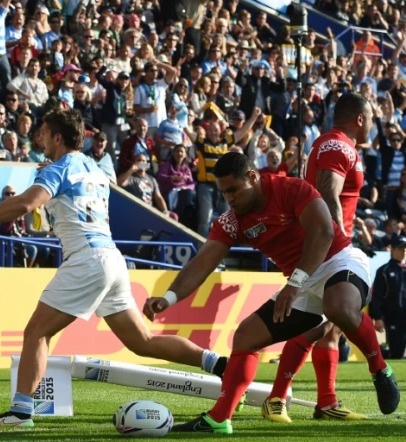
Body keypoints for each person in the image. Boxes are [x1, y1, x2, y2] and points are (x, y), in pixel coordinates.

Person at [0, 109, 227, 428]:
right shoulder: (93, 168)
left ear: (58, 138)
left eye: (45, 134)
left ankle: (20, 412)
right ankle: (217, 363)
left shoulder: (59, 168)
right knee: (142, 341)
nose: (41, 139)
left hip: (87, 258)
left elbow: (26, 204)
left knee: (36, 332)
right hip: (112, 259)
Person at [144, 152, 400, 434]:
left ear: (253, 177)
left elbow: (324, 231)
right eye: (223, 192)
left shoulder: (290, 188)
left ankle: (379, 369)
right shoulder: (232, 220)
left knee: (338, 307)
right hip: (303, 282)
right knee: (245, 337)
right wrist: (168, 298)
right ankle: (219, 419)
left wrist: (295, 283)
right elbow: (202, 263)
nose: (229, 198)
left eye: (234, 190)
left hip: (339, 260)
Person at [264, 93, 372, 422]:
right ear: (359, 119)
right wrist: (341, 246)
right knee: (313, 326)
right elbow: (327, 194)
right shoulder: (338, 146)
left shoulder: (339, 145)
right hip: (328, 251)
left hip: (329, 246)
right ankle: (276, 399)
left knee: (329, 328)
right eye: (370, 118)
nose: (372, 125)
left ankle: (325, 402)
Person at [370, 235, 406, 360]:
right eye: (401, 248)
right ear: (393, 249)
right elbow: (377, 296)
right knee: (396, 354)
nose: (404, 251)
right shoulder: (384, 271)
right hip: (394, 318)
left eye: (405, 248)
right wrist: (377, 317)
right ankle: (378, 353)